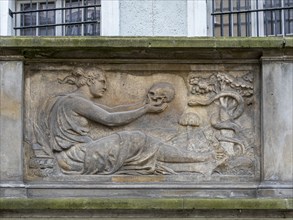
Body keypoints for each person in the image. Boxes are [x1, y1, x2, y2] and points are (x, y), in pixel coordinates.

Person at [39, 67, 215, 175]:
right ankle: (198, 159)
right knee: (138, 139)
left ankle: (196, 163)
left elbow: (112, 110)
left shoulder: (78, 101)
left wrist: (143, 104)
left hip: (80, 153)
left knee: (139, 145)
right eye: (101, 81)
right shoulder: (75, 102)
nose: (105, 86)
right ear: (88, 80)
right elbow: (110, 119)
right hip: (77, 157)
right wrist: (145, 109)